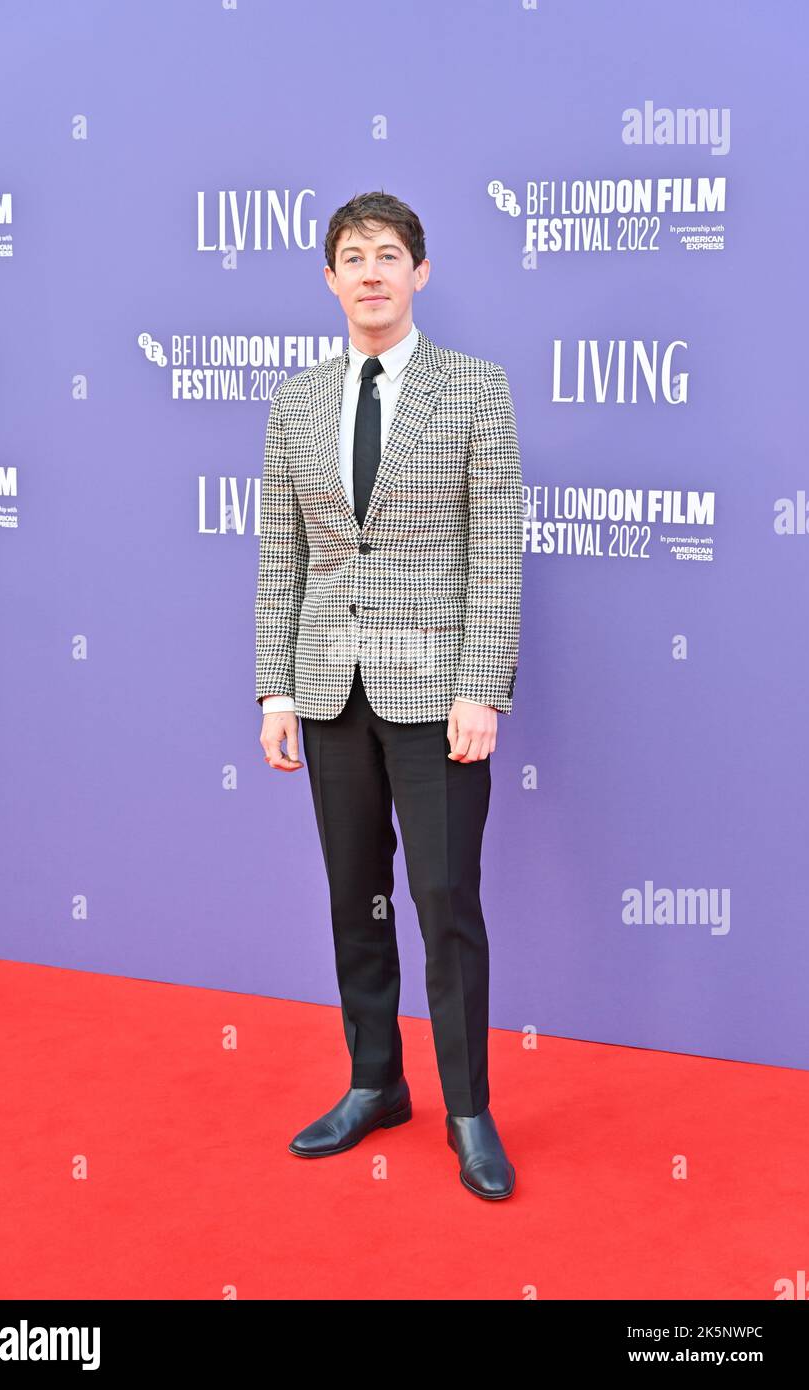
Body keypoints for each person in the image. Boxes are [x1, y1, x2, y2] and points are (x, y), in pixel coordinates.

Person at [254, 191, 523, 1199]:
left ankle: (467, 1109)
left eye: (390, 254)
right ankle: (375, 1082)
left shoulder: (475, 390)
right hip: (329, 691)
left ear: (421, 273)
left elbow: (495, 553)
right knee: (352, 899)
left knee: (445, 903)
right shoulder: (296, 401)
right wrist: (277, 689)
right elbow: (282, 558)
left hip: (437, 693)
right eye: (353, 256)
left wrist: (481, 687)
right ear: (330, 279)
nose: (371, 271)